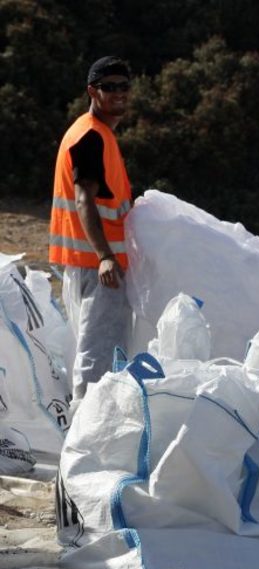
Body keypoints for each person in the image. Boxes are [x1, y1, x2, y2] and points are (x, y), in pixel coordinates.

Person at [50, 57, 134, 400]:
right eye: (108, 87)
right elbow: (84, 200)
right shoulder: (90, 137)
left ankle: (88, 426)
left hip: (89, 263)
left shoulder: (96, 134)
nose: (118, 94)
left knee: (96, 347)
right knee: (99, 351)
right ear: (92, 91)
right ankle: (86, 431)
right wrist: (105, 256)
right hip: (99, 267)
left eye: (123, 87)